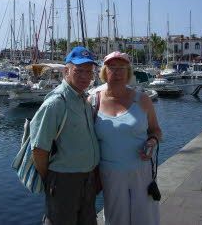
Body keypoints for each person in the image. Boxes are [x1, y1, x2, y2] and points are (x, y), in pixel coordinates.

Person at [89, 51, 162, 225]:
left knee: (145, 219)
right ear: (105, 72)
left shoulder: (143, 100)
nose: (117, 72)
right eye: (112, 68)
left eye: (122, 68)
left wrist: (152, 142)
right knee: (115, 220)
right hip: (110, 174)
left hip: (142, 172)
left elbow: (156, 130)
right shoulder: (92, 102)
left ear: (128, 73)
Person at [30, 46, 100, 225]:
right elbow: (39, 149)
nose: (85, 76)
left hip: (87, 179)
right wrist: (52, 179)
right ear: (66, 72)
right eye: (79, 70)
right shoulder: (56, 103)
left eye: (89, 71)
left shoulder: (83, 100)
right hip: (63, 181)